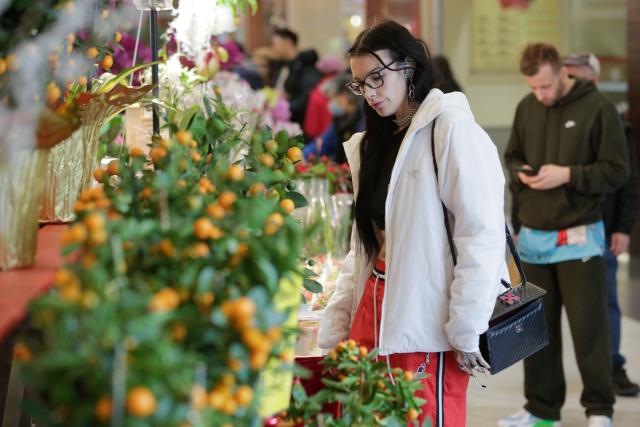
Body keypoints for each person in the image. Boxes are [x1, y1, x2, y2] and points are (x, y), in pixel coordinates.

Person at [317, 20, 507, 427]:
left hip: (427, 313)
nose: (370, 92)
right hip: (374, 303)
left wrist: (466, 326)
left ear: (408, 67)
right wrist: (340, 316)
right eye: (359, 84)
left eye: (377, 77)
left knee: (423, 416)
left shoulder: (449, 127)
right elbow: (363, 243)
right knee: (369, 415)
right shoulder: (375, 142)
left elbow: (481, 233)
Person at [501, 43, 629, 427]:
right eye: (533, 87)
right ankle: (542, 408)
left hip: (580, 238)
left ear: (561, 72)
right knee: (537, 330)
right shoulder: (527, 107)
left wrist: (568, 174)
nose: (539, 94)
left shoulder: (599, 109)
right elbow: (511, 157)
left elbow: (617, 170)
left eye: (544, 86)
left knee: (590, 329)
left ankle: (599, 410)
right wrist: (521, 172)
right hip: (535, 239)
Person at [563, 52, 639, 398]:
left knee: (606, 300)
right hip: (553, 232)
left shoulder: (612, 121)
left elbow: (627, 181)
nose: (568, 85)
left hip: (601, 229)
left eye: (575, 77)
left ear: (592, 80)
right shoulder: (548, 115)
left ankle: (613, 366)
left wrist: (623, 228)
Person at [302, 74, 364, 162]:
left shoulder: (362, 120)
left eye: (332, 98)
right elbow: (322, 142)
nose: (330, 103)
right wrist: (303, 154)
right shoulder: (339, 120)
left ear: (344, 97)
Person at [269, 27, 322, 127]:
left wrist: (284, 108)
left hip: (296, 122)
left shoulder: (305, 66)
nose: (273, 48)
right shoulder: (280, 65)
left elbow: (306, 98)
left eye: (275, 44)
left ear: (288, 42)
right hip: (279, 118)